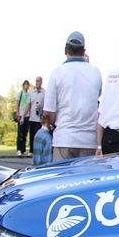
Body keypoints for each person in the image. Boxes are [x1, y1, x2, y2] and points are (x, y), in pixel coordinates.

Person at [43, 32, 102, 161]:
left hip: (64, 138)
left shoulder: (57, 73)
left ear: (65, 50)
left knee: (62, 174)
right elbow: (97, 97)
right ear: (84, 51)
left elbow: (48, 113)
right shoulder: (95, 72)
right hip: (89, 140)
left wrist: (50, 125)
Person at [25, 76, 45, 155]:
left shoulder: (44, 93)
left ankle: (38, 150)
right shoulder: (32, 93)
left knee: (38, 135)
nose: (37, 83)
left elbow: (46, 105)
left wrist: (41, 107)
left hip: (40, 118)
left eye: (38, 81)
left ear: (41, 82)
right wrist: (23, 115)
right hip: (32, 117)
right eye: (36, 81)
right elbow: (28, 104)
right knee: (31, 135)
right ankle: (31, 150)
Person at [14, 80, 30, 157]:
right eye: (25, 85)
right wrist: (18, 113)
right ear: (23, 85)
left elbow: (28, 104)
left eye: (27, 85)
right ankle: (19, 149)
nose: (26, 86)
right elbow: (17, 103)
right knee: (20, 132)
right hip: (20, 114)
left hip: (27, 115)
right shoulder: (20, 93)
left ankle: (23, 149)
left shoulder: (29, 94)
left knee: (25, 133)